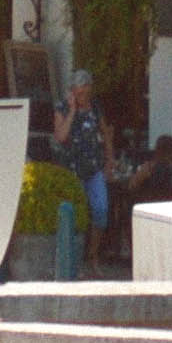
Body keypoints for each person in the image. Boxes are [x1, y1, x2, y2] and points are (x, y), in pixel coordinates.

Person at [62, 74, 110, 268]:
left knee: (101, 210)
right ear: (73, 91)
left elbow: (105, 134)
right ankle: (76, 259)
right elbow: (60, 136)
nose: (84, 96)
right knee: (77, 214)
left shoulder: (95, 107)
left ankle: (93, 256)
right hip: (73, 169)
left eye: (87, 91)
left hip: (94, 168)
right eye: (80, 92)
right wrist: (72, 111)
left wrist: (110, 161)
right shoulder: (63, 108)